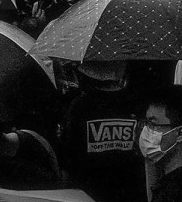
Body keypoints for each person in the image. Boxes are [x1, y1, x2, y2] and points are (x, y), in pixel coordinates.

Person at [57, 61, 146, 202]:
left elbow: (68, 157)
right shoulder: (137, 103)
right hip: (131, 190)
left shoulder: (80, 107)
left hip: (89, 192)